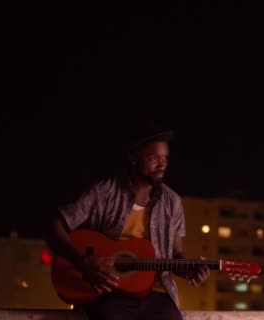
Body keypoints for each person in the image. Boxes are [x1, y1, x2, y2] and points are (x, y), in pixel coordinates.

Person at [45, 122, 210, 320]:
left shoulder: (172, 202)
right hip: (108, 291)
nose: (162, 164)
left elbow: (176, 255)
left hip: (157, 294)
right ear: (133, 157)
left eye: (165, 158)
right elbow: (54, 225)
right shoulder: (104, 191)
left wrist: (190, 271)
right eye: (153, 158)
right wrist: (82, 261)